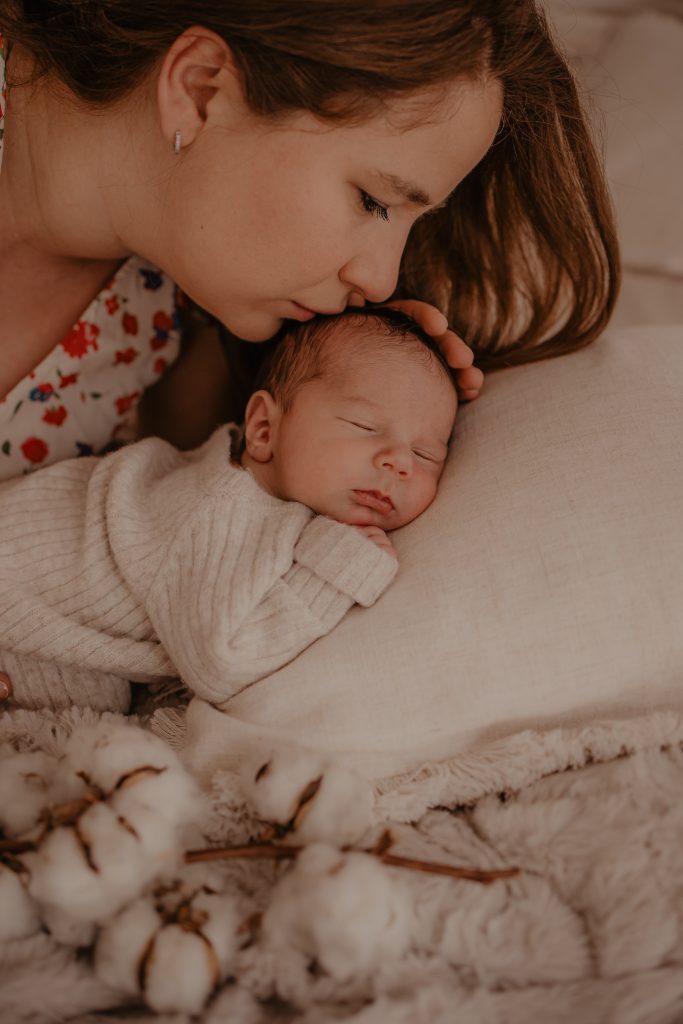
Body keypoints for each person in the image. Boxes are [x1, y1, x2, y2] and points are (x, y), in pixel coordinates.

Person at [0, 1, 620, 702]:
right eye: (373, 203)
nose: (380, 277)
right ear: (200, 88)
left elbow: (186, 531)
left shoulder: (162, 311)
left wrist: (349, 367)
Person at [0, 308, 457, 713]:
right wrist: (334, 570)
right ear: (263, 429)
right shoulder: (217, 512)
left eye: (426, 455)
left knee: (91, 704)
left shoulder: (265, 487)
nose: (399, 462)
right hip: (12, 607)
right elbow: (222, 663)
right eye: (365, 426)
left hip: (39, 623)